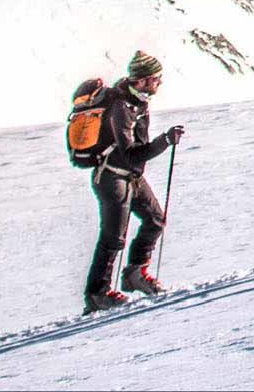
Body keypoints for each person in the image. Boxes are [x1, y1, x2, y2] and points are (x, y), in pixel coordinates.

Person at [83, 51, 186, 313]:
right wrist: (164, 141)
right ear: (140, 81)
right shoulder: (122, 108)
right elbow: (130, 154)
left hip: (129, 176)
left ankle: (134, 274)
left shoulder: (139, 102)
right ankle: (97, 294)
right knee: (113, 237)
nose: (158, 83)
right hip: (112, 177)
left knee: (155, 220)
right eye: (155, 79)